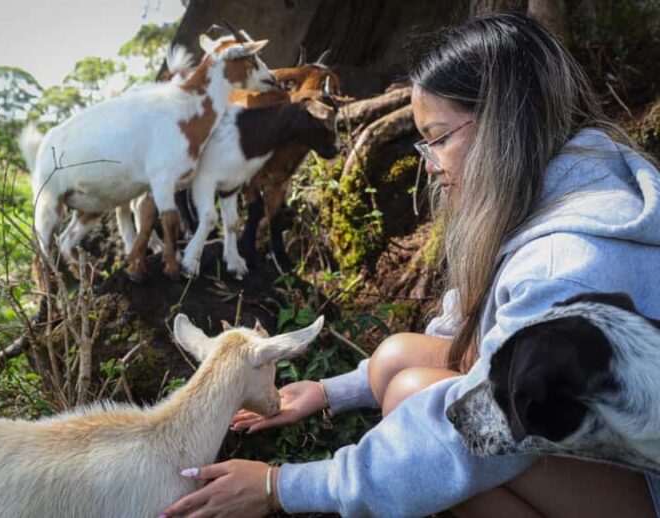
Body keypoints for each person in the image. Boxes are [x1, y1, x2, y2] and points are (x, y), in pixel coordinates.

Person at [161, 12, 660, 517]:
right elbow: (465, 327)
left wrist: (281, 486)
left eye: (440, 137)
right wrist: (332, 390)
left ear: (506, 123)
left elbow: (465, 437)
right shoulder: (561, 184)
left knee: (422, 403)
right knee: (395, 359)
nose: (428, 161)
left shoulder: (563, 268)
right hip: (611, 443)